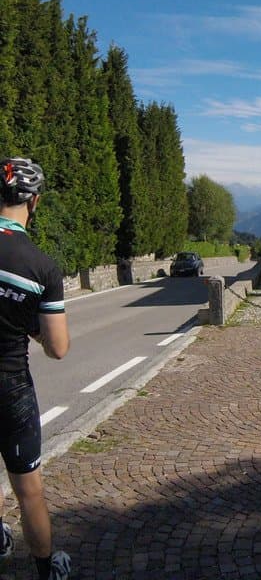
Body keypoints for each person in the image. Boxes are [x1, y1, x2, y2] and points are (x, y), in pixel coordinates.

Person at [0, 158, 72, 580]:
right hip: (10, 385)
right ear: (35, 202)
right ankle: (46, 569)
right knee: (29, 490)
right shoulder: (41, 266)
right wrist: (31, 326)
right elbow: (58, 348)